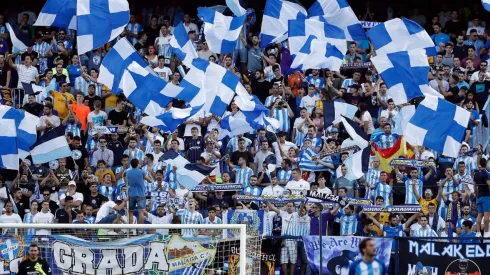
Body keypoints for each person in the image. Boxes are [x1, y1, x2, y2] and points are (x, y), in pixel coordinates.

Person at [126, 158, 153, 225]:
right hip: (140, 194)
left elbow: (126, 183)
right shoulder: (142, 171)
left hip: (131, 194)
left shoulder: (127, 172)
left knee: (130, 212)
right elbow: (150, 181)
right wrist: (150, 176)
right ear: (137, 164)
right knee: (141, 212)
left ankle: (130, 229)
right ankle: (141, 230)